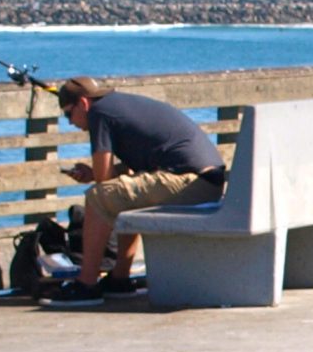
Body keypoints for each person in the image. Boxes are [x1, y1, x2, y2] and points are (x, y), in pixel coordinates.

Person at [48, 76, 228, 305]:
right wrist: (92, 173)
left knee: (96, 198)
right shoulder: (119, 106)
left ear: (83, 104)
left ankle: (87, 284)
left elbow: (104, 184)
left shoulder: (99, 113)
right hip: (204, 182)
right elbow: (127, 173)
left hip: (189, 182)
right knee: (121, 197)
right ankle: (119, 280)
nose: (70, 122)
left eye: (68, 114)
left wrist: (97, 176)